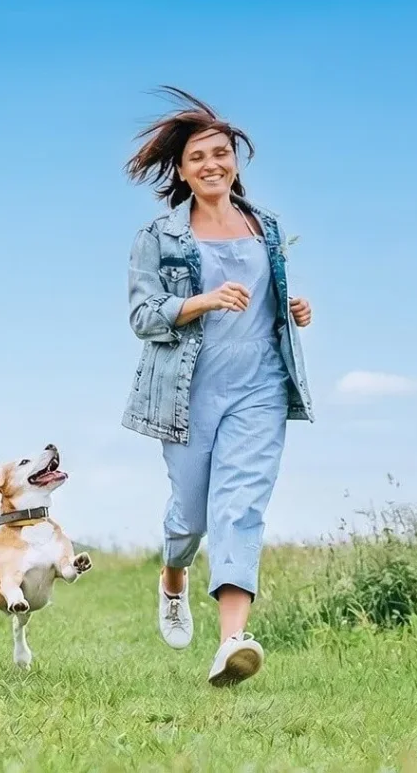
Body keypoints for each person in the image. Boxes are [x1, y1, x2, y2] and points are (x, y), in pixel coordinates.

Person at [119, 87, 315, 687]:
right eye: (198, 157)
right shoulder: (159, 236)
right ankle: (173, 576)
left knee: (241, 507)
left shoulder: (267, 227)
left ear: (236, 160)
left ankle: (234, 640)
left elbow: (267, 299)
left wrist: (293, 308)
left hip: (261, 387)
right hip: (187, 393)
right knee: (191, 517)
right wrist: (201, 301)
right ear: (181, 170)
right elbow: (142, 316)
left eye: (221, 154)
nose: (212, 165)